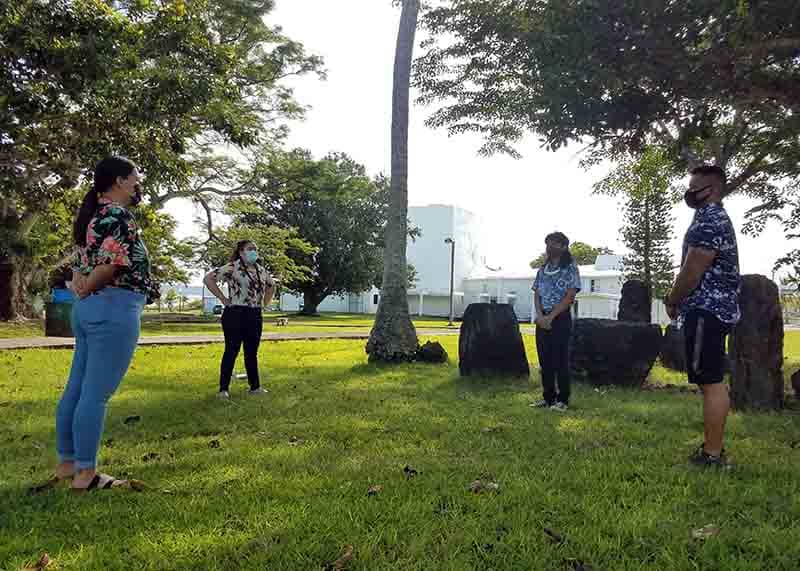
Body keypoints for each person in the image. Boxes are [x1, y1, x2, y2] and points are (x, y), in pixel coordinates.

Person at [44, 156, 159, 492]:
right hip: (114, 308)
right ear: (120, 181)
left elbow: (81, 266)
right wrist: (90, 287)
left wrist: (84, 290)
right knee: (95, 395)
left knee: (77, 389)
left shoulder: (95, 218)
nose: (138, 182)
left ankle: (68, 464)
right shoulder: (119, 215)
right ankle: (85, 474)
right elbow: (109, 267)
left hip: (90, 311)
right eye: (135, 176)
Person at [665, 165, 740, 467]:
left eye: (695, 187)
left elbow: (693, 268)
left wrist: (673, 298)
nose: (690, 193)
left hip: (707, 309)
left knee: (711, 381)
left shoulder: (710, 219)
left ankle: (712, 454)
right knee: (710, 379)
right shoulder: (709, 218)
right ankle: (712, 449)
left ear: (713, 189)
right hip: (713, 309)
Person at [204, 241, 275, 399]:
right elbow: (208, 279)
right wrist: (223, 298)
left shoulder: (261, 270)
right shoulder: (232, 267)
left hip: (254, 314)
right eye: (250, 249)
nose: (254, 252)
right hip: (235, 313)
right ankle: (223, 389)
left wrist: (264, 304)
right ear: (241, 252)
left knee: (252, 352)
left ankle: (255, 387)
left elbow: (272, 285)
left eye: (255, 249)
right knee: (231, 350)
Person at [531, 232, 581, 411]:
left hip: (560, 319)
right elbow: (537, 293)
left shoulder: (570, 268)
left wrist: (551, 317)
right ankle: (548, 398)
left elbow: (570, 296)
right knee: (545, 361)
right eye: (547, 243)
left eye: (554, 244)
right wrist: (540, 316)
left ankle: (563, 400)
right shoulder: (542, 270)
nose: (549, 247)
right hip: (542, 319)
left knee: (560, 360)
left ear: (563, 247)